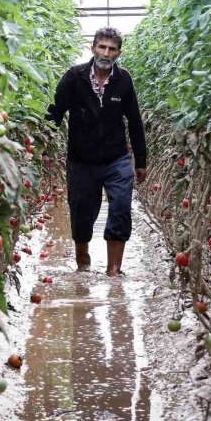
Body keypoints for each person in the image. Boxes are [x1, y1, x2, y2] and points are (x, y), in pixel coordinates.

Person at [45, 27, 147, 276]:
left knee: (121, 207)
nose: (106, 52)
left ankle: (114, 271)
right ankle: (83, 262)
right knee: (81, 212)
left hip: (117, 158)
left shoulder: (124, 80)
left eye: (112, 49)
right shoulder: (74, 76)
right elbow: (55, 113)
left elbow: (134, 120)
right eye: (102, 47)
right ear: (93, 48)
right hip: (81, 159)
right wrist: (43, 146)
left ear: (118, 53)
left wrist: (141, 160)